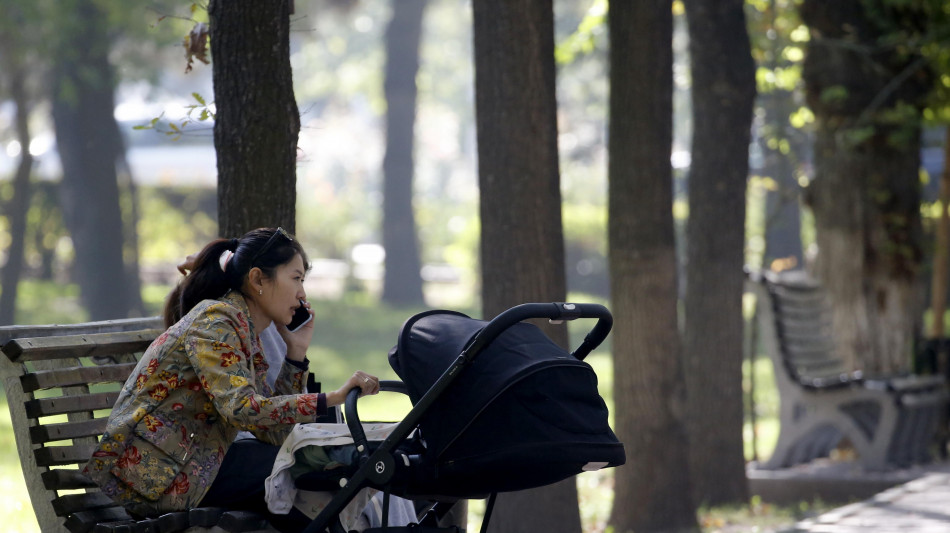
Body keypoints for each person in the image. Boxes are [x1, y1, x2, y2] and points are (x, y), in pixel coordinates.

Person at [83, 227, 380, 531]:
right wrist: (331, 398)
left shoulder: (243, 331)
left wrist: (295, 354)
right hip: (156, 476)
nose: (303, 294)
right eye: (296, 278)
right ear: (257, 280)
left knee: (305, 474)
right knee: (296, 468)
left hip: (193, 464)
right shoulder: (215, 322)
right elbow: (243, 410)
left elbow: (273, 434)